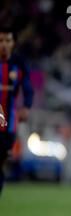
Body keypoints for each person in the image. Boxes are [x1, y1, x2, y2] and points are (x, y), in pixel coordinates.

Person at [0, 26, 33, 197]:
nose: (4, 45)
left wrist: (26, 107)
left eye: (7, 41)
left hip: (8, 120)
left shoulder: (18, 64)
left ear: (13, 43)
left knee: (2, 159)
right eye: (1, 41)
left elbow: (28, 88)